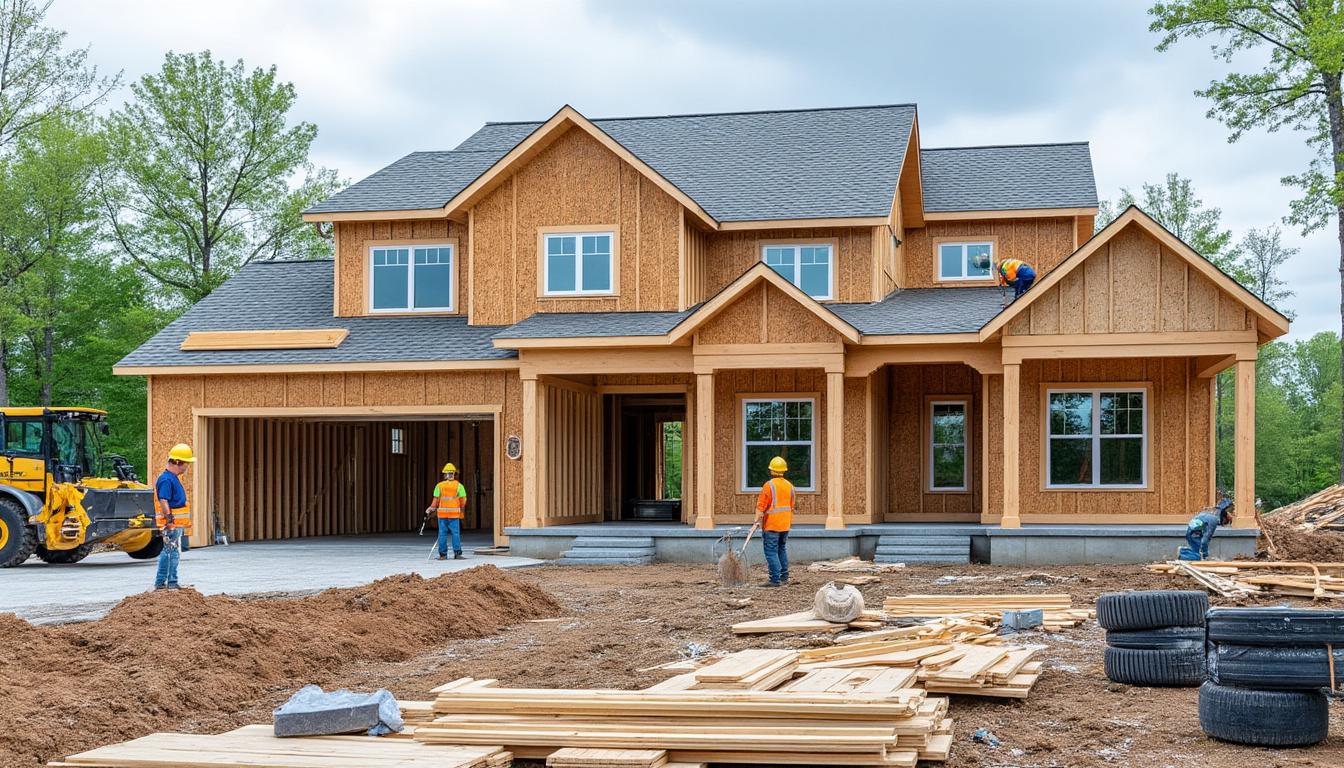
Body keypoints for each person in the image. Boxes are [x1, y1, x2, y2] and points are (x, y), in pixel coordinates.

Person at [153, 443, 195, 590]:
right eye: (186, 464)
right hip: (171, 524)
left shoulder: (171, 478)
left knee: (170, 551)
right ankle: (169, 583)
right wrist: (170, 520)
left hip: (175, 523)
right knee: (171, 552)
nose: (187, 467)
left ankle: (163, 583)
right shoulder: (166, 479)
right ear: (177, 462)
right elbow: (163, 500)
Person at [754, 456, 794, 587]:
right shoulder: (790, 486)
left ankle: (774, 579)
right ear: (784, 470)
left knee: (771, 551)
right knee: (781, 549)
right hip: (785, 524)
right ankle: (784, 576)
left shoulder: (769, 485)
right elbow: (791, 506)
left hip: (772, 525)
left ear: (771, 470)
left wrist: (756, 521)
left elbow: (761, 506)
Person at [424, 462, 468, 560]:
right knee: (455, 534)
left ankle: (443, 555)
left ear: (445, 474)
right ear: (454, 474)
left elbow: (435, 501)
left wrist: (431, 508)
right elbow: (463, 500)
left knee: (442, 534)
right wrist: (460, 509)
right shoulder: (459, 486)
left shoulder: (439, 486)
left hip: (442, 515)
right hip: (454, 515)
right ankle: (457, 554)